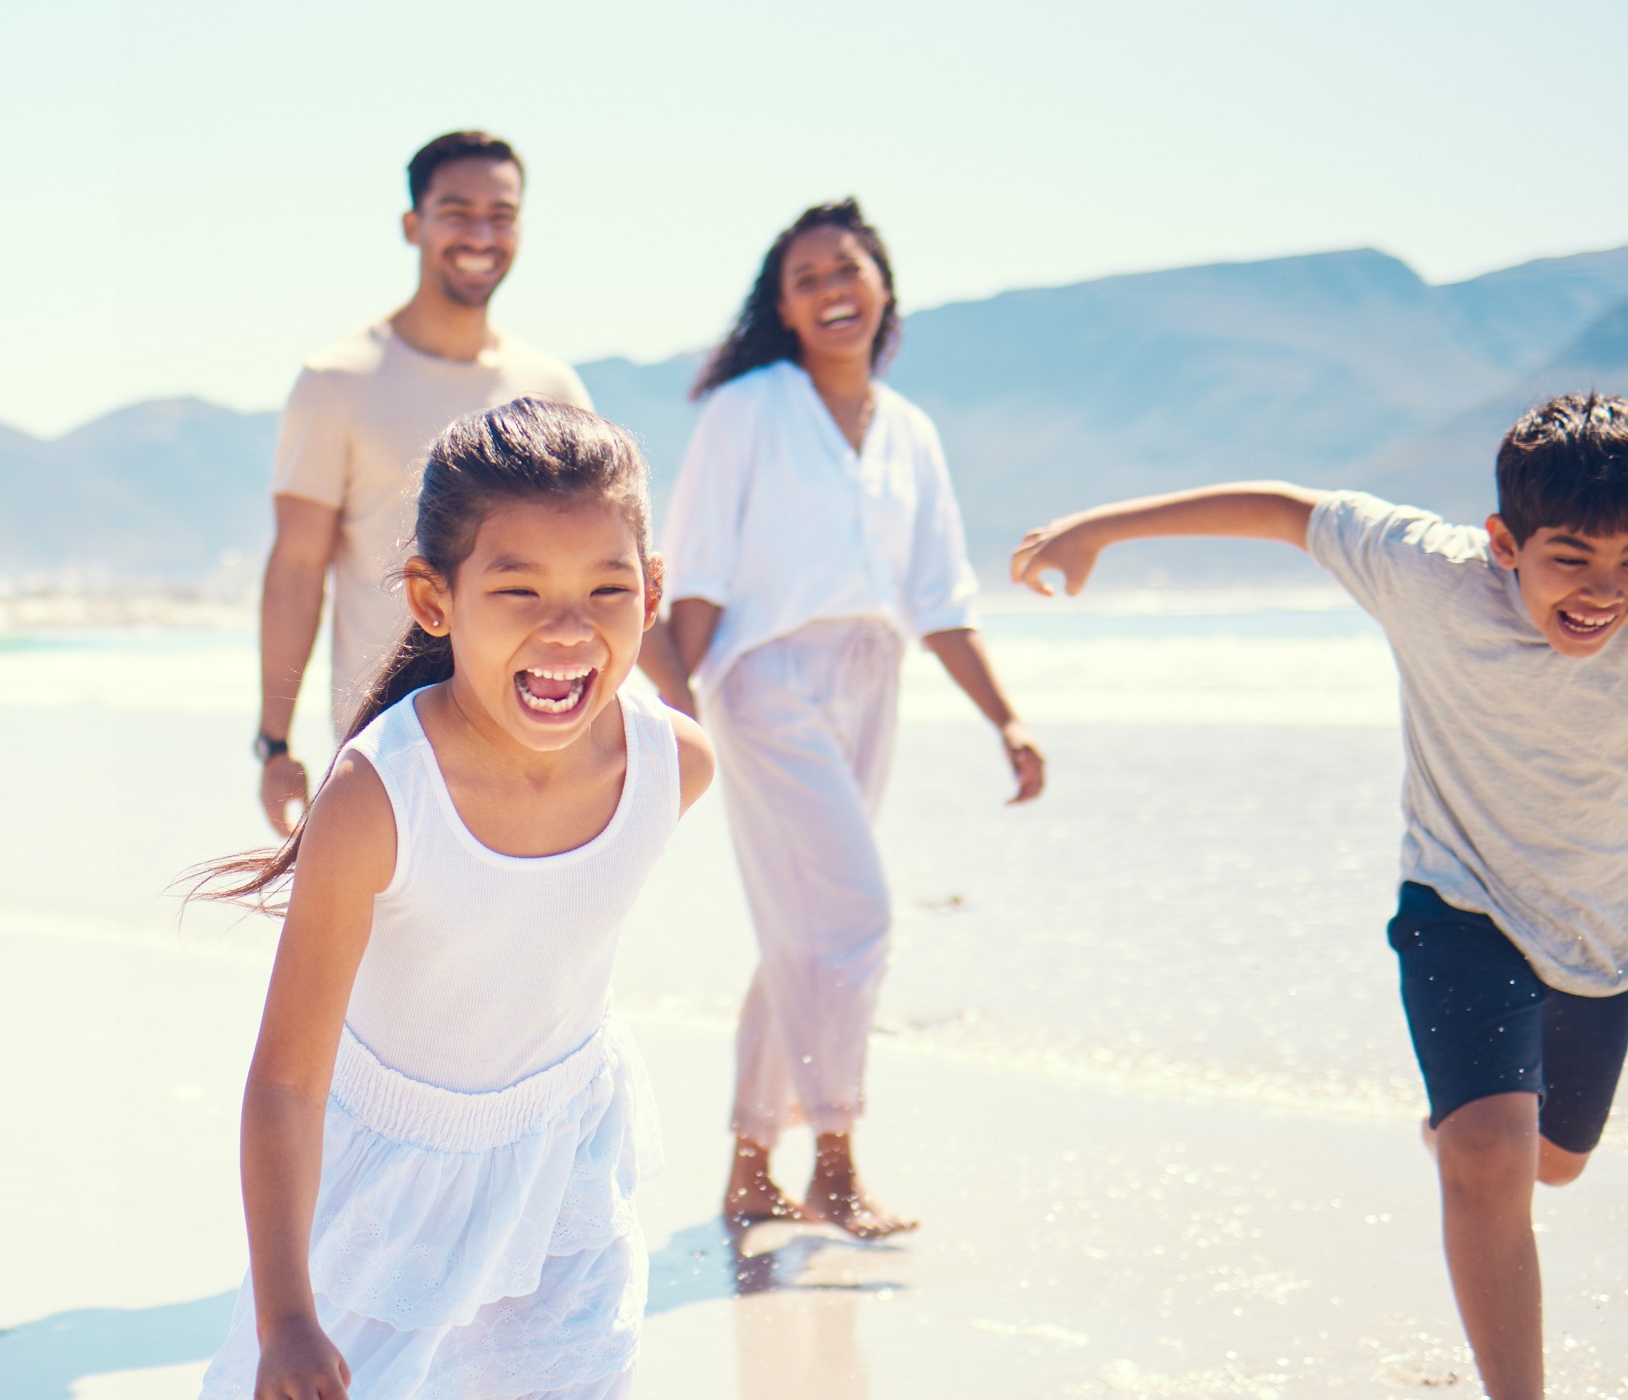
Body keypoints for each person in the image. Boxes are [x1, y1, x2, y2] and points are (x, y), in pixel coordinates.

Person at [1008, 393, 1628, 1400]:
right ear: (1504, 542)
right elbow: (1286, 510)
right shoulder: (1425, 570)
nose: (1606, 590)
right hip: (1457, 906)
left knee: (1552, 1162)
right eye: (1572, 557)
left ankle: (1461, 1131)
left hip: (1607, 932)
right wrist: (1096, 528)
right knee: (1490, 1153)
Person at [195, 400, 715, 1400]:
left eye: (607, 588)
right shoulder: (380, 798)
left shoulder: (671, 766)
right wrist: (287, 1320)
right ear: (435, 600)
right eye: (519, 589)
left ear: (651, 592)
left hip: (565, 1155)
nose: (568, 629)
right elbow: (289, 1082)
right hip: (390, 1183)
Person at [636, 199, 1040, 1240]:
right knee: (854, 915)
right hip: (765, 679)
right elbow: (699, 571)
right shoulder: (747, 409)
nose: (831, 292)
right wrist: (677, 713)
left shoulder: (911, 431)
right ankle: (835, 1161)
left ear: (883, 286)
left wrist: (1006, 720)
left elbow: (940, 597)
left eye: (847, 270)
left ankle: (747, 1169)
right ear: (782, 307)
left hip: (873, 678)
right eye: (807, 278)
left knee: (803, 927)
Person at [255, 130, 595, 838]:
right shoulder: (337, 382)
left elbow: (594, 563)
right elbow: (296, 567)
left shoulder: (552, 387)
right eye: (457, 213)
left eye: (501, 216)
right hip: (388, 744)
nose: (481, 235)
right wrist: (274, 742)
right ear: (413, 225)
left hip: (531, 730)